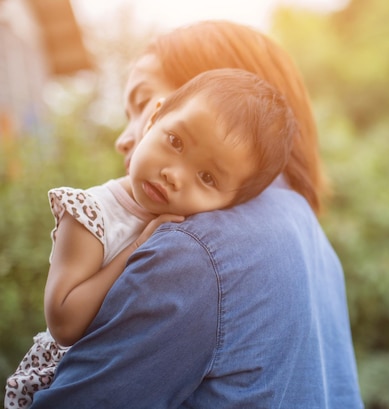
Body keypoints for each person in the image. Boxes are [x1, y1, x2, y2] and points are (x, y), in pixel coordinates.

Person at [30, 20, 363, 408]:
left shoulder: (193, 250)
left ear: (219, 91)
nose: (125, 137)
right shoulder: (310, 234)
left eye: (141, 103)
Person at [5, 68, 297, 409]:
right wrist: (137, 248)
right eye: (176, 141)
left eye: (206, 177)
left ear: (229, 205)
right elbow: (64, 322)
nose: (173, 174)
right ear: (154, 118)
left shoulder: (196, 237)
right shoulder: (91, 212)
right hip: (61, 377)